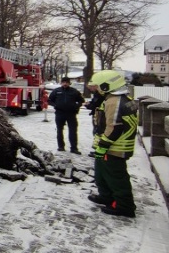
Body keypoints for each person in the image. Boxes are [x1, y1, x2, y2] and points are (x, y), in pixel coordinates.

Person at [86, 70, 137, 218]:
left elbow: (114, 127)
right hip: (111, 146)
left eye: (97, 87)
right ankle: (107, 196)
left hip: (114, 148)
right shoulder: (120, 98)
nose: (96, 90)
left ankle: (125, 206)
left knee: (116, 177)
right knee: (101, 174)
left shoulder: (114, 101)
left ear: (107, 85)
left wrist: (103, 146)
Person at [47, 77, 85, 153]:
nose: (65, 84)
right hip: (60, 113)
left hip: (71, 114)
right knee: (59, 130)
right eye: (63, 82)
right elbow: (49, 100)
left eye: (66, 82)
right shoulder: (56, 91)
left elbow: (81, 100)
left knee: (73, 131)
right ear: (61, 83)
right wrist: (55, 105)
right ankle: (61, 147)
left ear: (69, 83)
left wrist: (76, 106)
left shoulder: (74, 91)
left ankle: (74, 148)